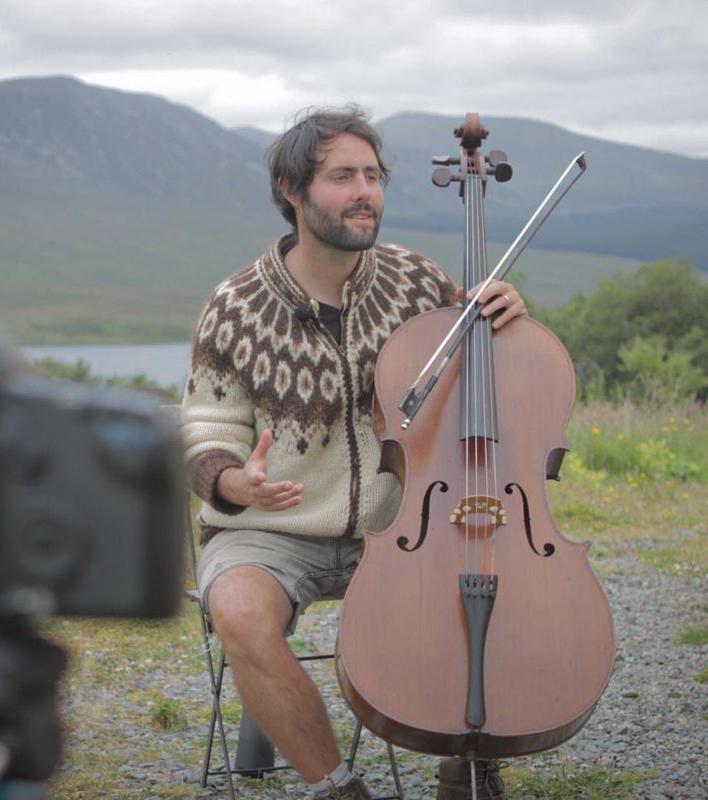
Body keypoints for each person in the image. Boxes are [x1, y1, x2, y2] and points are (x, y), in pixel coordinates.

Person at [181, 105, 526, 800]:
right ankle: (337, 787)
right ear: (292, 189)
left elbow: (482, 377)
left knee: (493, 564)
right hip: (272, 531)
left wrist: (504, 312)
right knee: (242, 612)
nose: (364, 192)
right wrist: (231, 481)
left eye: (373, 175)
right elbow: (205, 429)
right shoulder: (233, 305)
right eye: (342, 176)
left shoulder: (418, 283)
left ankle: (468, 759)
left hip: (400, 523)